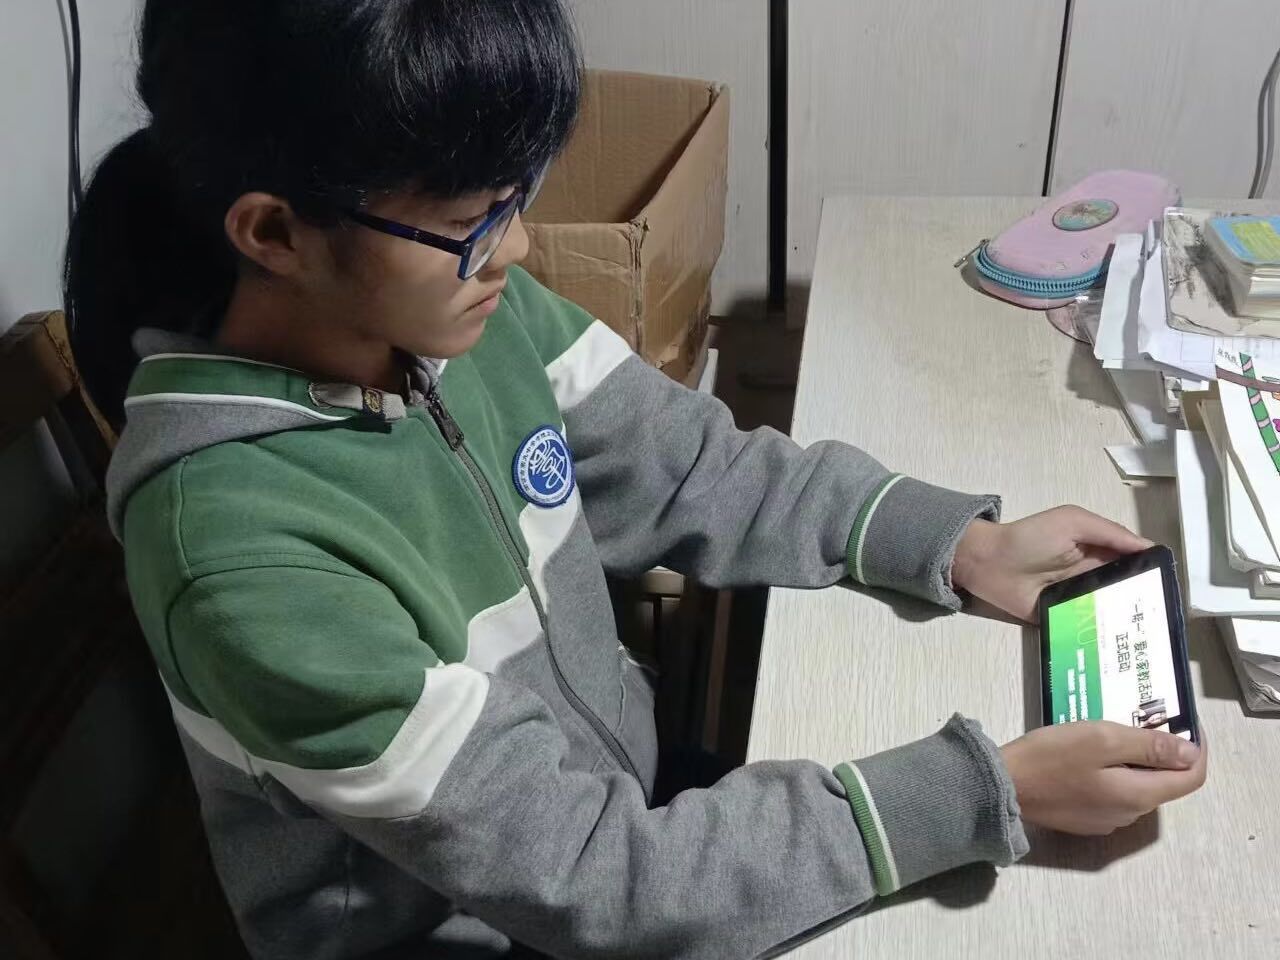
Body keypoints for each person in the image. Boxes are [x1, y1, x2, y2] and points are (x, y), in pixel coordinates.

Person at [64, 2, 1207, 957]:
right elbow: (594, 883)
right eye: (469, 220)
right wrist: (977, 793)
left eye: (512, 198)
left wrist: (948, 542)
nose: (515, 249)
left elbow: (690, 465)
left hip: (617, 805)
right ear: (274, 234)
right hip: (481, 923)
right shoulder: (243, 558)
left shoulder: (451, 312)